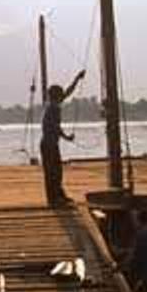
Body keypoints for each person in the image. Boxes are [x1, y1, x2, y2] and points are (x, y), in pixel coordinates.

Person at [40, 70, 86, 207]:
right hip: (48, 145)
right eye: (60, 96)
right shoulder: (52, 110)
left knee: (57, 171)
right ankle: (53, 199)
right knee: (51, 172)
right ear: (56, 97)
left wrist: (77, 78)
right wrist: (67, 137)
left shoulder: (54, 106)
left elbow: (68, 92)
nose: (62, 97)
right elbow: (56, 128)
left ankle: (59, 195)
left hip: (52, 145)